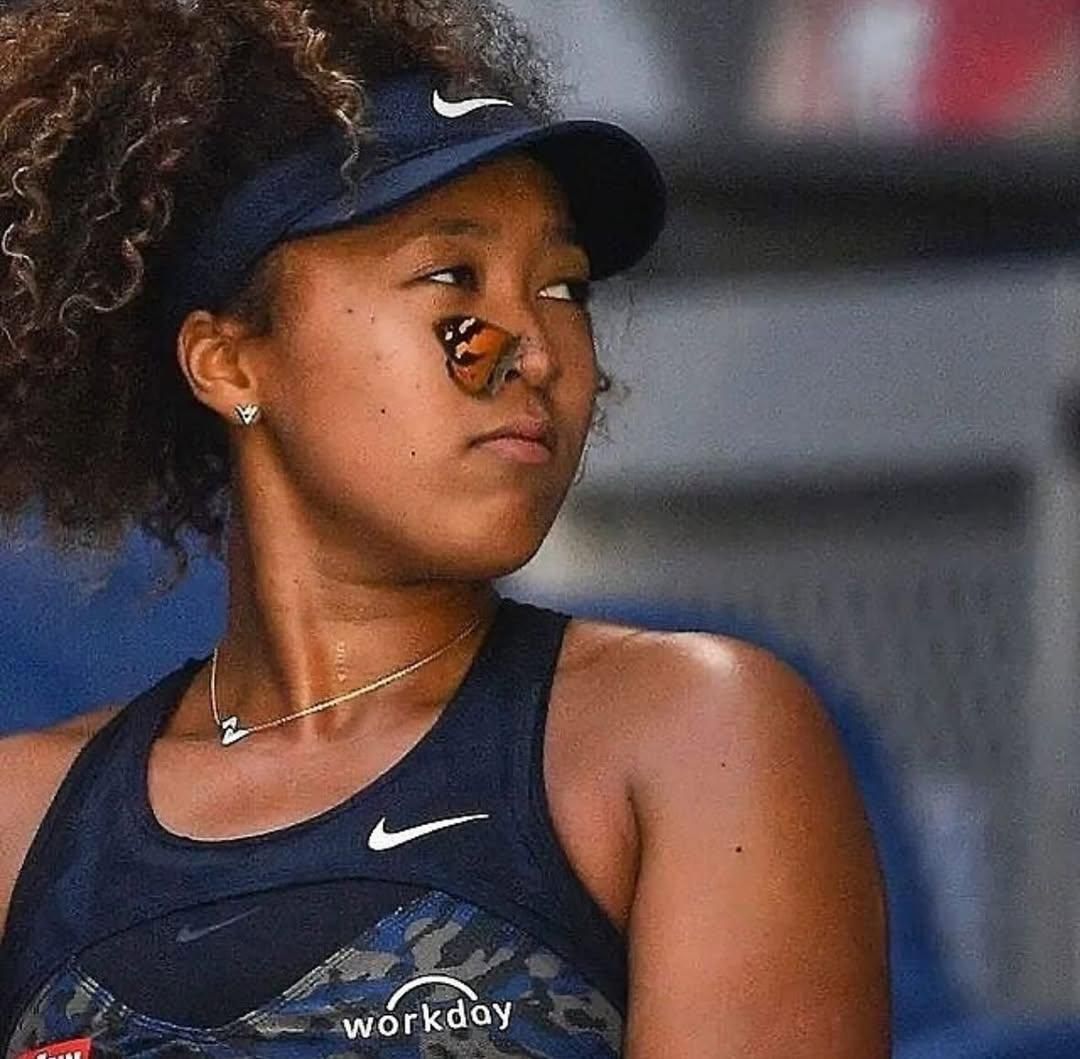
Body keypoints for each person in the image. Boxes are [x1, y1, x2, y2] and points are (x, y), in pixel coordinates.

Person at [0, 0, 889, 1056]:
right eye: (449, 278)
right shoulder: (22, 819)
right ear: (231, 362)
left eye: (562, 287)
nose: (536, 349)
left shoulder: (692, 731)